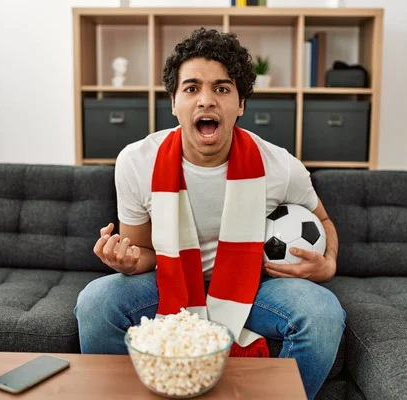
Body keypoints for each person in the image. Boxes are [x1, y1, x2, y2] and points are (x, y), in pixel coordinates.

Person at [74, 28, 346, 399]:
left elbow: (325, 221)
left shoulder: (279, 166)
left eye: (221, 88)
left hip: (251, 289)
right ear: (173, 102)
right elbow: (143, 254)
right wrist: (124, 260)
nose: (206, 100)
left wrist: (328, 263)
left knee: (323, 314)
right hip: (169, 283)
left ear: (240, 103)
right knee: (96, 301)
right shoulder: (136, 162)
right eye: (191, 88)